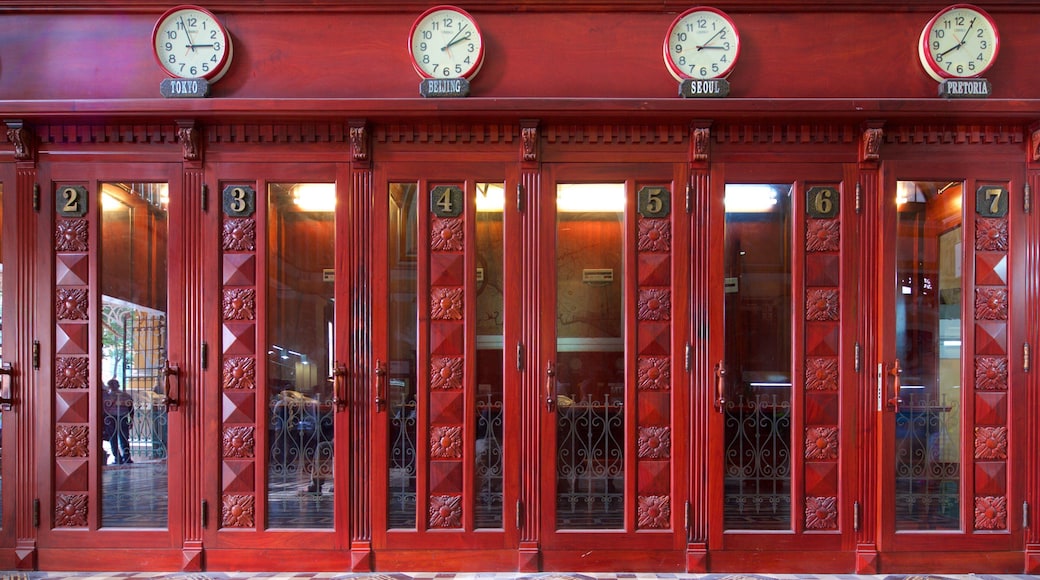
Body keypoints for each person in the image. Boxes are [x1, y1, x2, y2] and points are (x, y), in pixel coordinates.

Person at [103, 379, 134, 464]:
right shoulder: (126, 396)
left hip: (111, 418)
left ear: (110, 386)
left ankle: (118, 458)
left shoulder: (107, 396)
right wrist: (131, 420)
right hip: (123, 418)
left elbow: (104, 409)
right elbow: (131, 409)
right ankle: (127, 458)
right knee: (124, 438)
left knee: (113, 439)